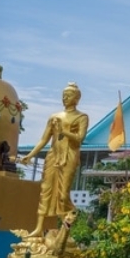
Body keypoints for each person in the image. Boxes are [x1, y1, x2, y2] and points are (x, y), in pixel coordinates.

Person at [19, 82, 88, 237]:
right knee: (46, 191)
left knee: (63, 195)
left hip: (69, 155)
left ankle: (67, 224)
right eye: (63, 95)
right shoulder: (54, 117)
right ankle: (38, 229)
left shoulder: (81, 117)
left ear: (76, 98)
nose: (65, 98)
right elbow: (44, 140)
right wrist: (30, 155)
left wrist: (65, 131)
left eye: (68, 96)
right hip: (53, 155)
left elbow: (79, 139)